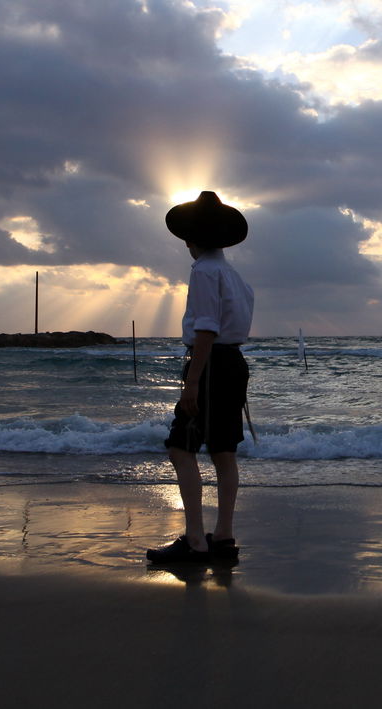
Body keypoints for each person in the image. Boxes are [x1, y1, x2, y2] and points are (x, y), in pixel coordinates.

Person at [147, 191, 255, 565]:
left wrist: (192, 382)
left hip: (210, 365)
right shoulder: (235, 276)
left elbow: (206, 329)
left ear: (192, 240)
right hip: (233, 363)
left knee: (181, 448)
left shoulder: (205, 272)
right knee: (224, 452)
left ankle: (195, 540)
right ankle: (223, 537)